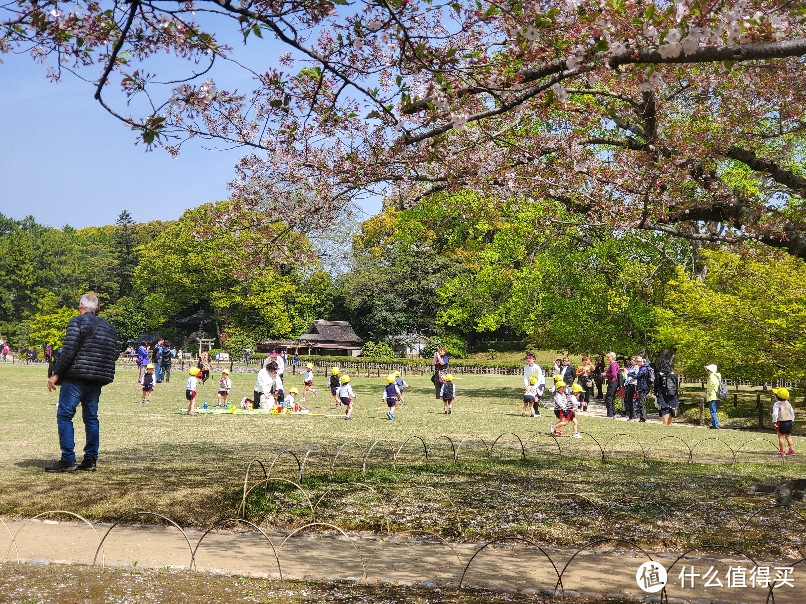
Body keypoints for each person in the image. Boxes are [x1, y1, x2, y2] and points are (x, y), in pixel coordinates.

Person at [45, 293, 118, 472]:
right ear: (97, 309)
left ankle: (68, 458)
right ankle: (90, 459)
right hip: (97, 379)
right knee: (91, 418)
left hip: (76, 377)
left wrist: (55, 374)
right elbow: (114, 353)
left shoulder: (77, 322)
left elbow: (69, 351)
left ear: (80, 306)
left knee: (65, 415)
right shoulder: (109, 328)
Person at [771, 387, 796, 456]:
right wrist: (792, 420)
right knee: (788, 437)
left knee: (781, 437)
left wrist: (774, 421)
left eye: (775, 394)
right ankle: (791, 450)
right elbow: (792, 412)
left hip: (781, 422)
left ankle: (782, 451)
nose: (774, 396)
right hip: (789, 421)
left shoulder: (776, 404)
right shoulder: (788, 403)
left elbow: (775, 414)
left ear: (777, 396)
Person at [655, 360, 679, 425]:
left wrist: (655, 392)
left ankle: (665, 423)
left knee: (664, 407)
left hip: (662, 393)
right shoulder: (674, 374)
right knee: (671, 407)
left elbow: (656, 385)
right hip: (673, 393)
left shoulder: (659, 374)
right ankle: (670, 422)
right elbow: (676, 384)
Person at [602, 352, 620, 418]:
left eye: (609, 357)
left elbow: (614, 374)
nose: (607, 359)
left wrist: (605, 374)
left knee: (609, 397)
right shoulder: (614, 364)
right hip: (613, 382)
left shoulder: (613, 364)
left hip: (612, 382)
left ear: (612, 357)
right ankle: (613, 412)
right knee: (611, 398)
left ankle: (610, 413)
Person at [705, 364, 721, 429]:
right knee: (713, 411)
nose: (707, 371)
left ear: (712, 371)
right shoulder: (715, 376)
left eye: (708, 370)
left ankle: (715, 425)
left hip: (712, 396)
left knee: (713, 411)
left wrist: (708, 390)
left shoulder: (712, 377)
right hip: (715, 396)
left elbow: (713, 384)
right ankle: (714, 424)